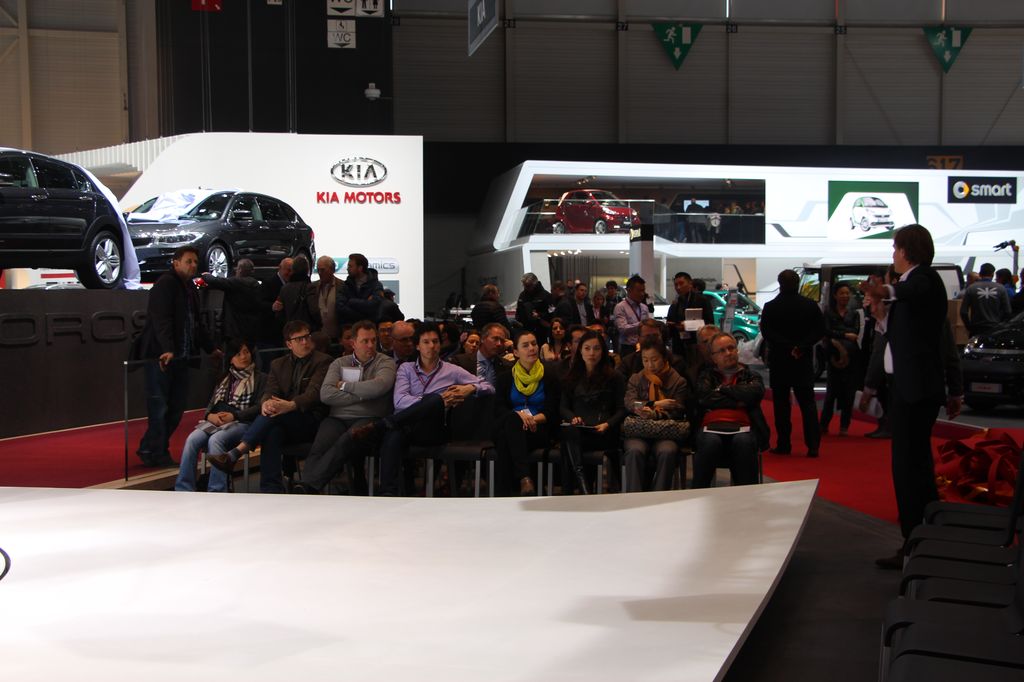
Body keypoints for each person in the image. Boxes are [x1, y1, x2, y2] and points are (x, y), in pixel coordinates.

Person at [860, 224, 962, 569]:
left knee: (908, 468)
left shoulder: (923, 279)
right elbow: (901, 337)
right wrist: (880, 313)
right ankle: (921, 538)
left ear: (906, 250)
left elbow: (911, 291)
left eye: (895, 248)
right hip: (908, 387)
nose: (893, 254)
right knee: (913, 467)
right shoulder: (912, 287)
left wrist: (883, 289)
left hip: (916, 390)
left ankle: (915, 542)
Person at [350, 322, 494, 496]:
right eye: (426, 342)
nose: (431, 346)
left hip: (433, 429)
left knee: (434, 401)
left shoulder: (452, 371)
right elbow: (400, 401)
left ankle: (381, 425)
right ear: (417, 346)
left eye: (435, 341)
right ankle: (388, 493)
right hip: (406, 426)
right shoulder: (406, 369)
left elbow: (489, 387)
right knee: (395, 434)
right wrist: (433, 401)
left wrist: (470, 388)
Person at [207, 320, 332, 493]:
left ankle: (236, 453)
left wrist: (290, 405)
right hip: (282, 420)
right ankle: (271, 489)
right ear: (289, 344)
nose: (305, 342)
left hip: (310, 419)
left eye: (307, 337)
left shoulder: (323, 361)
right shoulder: (278, 364)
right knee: (272, 430)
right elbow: (270, 391)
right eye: (299, 339)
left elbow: (314, 394)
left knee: (274, 418)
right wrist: (266, 403)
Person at [132, 245, 216, 467]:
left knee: (176, 408)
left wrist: (211, 348)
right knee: (159, 407)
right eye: (189, 261)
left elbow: (196, 323)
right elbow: (161, 320)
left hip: (182, 358)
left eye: (195, 262)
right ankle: (157, 452)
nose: (193, 265)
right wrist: (166, 348)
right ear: (176, 262)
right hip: (161, 357)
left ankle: (149, 447)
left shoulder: (190, 288)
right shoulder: (165, 284)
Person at [292, 320, 397, 495]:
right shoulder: (339, 363)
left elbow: (379, 387)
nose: (370, 345)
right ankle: (308, 486)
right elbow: (326, 394)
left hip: (369, 418)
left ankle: (309, 487)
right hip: (337, 418)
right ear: (353, 343)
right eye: (365, 341)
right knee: (320, 445)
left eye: (373, 340)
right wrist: (364, 394)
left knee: (346, 441)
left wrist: (344, 386)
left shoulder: (385, 362)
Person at [175, 339, 266, 492]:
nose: (244, 356)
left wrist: (234, 416)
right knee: (192, 439)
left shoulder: (261, 378)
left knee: (216, 439)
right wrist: (210, 416)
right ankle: (183, 488)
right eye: (238, 354)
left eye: (246, 352)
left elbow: (258, 407)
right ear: (231, 359)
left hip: (243, 423)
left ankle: (217, 490)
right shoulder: (224, 378)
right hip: (217, 421)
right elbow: (210, 406)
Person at [760, 269, 825, 457]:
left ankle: (784, 444)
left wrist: (787, 346)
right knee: (808, 404)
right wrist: (801, 346)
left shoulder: (771, 307)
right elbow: (819, 330)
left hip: (780, 360)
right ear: (798, 284)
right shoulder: (810, 305)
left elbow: (767, 333)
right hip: (802, 359)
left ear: (780, 284)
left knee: (781, 405)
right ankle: (813, 445)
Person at [692, 333, 767, 488]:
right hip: (710, 428)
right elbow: (705, 399)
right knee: (710, 442)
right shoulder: (705, 376)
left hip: (745, 427)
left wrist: (722, 389)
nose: (728, 353)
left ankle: (747, 495)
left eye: (731, 348)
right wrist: (739, 401)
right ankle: (699, 493)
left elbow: (753, 394)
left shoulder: (752, 375)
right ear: (713, 357)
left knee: (743, 442)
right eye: (722, 350)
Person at [493, 329, 561, 495]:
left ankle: (506, 493)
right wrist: (519, 417)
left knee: (505, 439)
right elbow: (499, 408)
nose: (531, 348)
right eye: (525, 345)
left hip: (538, 428)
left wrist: (530, 419)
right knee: (511, 422)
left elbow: (552, 411)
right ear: (516, 352)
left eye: (534, 344)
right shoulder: (505, 378)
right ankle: (525, 479)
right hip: (512, 425)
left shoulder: (550, 376)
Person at [559, 330, 627, 493]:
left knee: (567, 444)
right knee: (569, 433)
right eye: (587, 348)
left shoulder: (615, 377)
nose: (591, 353)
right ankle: (584, 488)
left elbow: (622, 409)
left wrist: (608, 424)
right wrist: (573, 418)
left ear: (603, 352)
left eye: (596, 348)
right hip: (580, 430)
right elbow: (563, 407)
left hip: (604, 431)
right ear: (580, 350)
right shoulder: (571, 377)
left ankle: (574, 491)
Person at [622, 337, 689, 492]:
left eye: (654, 360)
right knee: (634, 450)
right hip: (639, 429)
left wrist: (655, 415)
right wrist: (655, 404)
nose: (650, 365)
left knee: (667, 451)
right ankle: (635, 497)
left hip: (665, 431)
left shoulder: (678, 381)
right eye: (645, 360)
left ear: (664, 358)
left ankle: (659, 496)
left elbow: (678, 410)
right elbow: (630, 403)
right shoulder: (636, 378)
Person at [820, 282, 862, 436]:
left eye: (847, 293)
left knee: (849, 393)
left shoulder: (854, 314)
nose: (845, 296)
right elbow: (827, 331)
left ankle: (844, 426)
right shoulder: (828, 313)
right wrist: (844, 334)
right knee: (831, 393)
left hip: (851, 357)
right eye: (842, 293)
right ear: (835, 295)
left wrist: (838, 333)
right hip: (833, 357)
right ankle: (823, 424)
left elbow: (855, 332)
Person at [200, 258, 264, 346]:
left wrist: (206, 275)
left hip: (236, 331)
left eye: (237, 268)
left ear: (240, 269)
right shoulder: (256, 284)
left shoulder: (237, 282)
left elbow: (216, 281)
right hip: (251, 329)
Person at [665, 271, 715, 364]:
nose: (678, 287)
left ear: (690, 283)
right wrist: (672, 326)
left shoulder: (701, 300)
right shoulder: (675, 303)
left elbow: (710, 323)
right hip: (678, 345)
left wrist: (687, 326)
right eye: (676, 285)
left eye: (681, 283)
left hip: (696, 344)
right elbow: (670, 322)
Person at [617, 319, 687, 378]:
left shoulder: (676, 362)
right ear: (638, 338)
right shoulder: (628, 363)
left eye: (655, 336)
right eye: (647, 336)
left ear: (661, 336)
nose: (651, 339)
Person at [959, 262, 1011, 337]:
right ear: (992, 275)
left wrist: (969, 327)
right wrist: (1001, 325)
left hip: (976, 328)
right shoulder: (1001, 289)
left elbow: (963, 312)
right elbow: (1008, 311)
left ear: (980, 274)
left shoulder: (971, 288)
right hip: (995, 328)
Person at [336, 253, 385, 323]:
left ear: (360, 268)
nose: (347, 269)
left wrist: (350, 301)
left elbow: (374, 307)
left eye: (350, 266)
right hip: (350, 327)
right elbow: (340, 307)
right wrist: (363, 315)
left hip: (370, 327)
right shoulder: (346, 285)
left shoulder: (376, 285)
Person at [275, 254, 319, 329]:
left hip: (290, 329)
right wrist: (319, 324)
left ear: (293, 270)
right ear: (307, 270)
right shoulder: (310, 287)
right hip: (306, 329)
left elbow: (279, 312)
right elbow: (314, 311)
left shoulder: (284, 288)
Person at [612, 275, 651, 357]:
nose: (642, 294)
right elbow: (622, 328)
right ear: (629, 290)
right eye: (639, 291)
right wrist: (641, 325)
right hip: (628, 348)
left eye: (643, 290)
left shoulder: (644, 307)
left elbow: (648, 327)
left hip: (644, 346)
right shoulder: (620, 307)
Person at [515, 272, 554, 343]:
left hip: (541, 331)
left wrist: (539, 315)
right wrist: (518, 320)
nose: (526, 288)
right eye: (524, 285)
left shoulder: (546, 295)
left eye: (528, 286)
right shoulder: (522, 295)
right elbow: (519, 310)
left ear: (535, 284)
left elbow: (552, 313)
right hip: (525, 330)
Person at [315, 255, 346, 339]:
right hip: (318, 337)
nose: (320, 273)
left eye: (323, 270)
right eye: (318, 270)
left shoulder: (343, 286)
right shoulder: (313, 287)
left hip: (338, 336)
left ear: (332, 269)